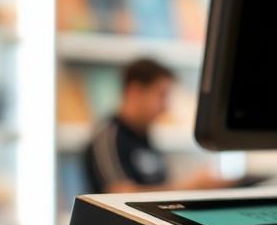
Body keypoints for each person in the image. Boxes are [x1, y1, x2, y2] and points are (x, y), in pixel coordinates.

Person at [83, 58, 228, 193]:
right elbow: (119, 193)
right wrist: (187, 187)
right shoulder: (108, 136)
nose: (165, 107)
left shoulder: (143, 136)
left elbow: (160, 184)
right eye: (161, 95)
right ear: (135, 91)